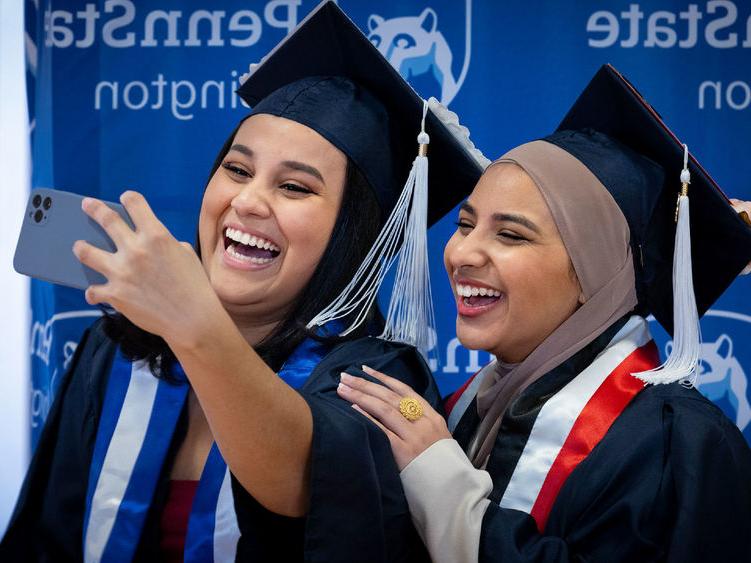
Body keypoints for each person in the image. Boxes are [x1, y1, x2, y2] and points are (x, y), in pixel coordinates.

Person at [0, 3, 484, 562]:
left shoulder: (376, 379)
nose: (247, 201)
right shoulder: (115, 352)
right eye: (237, 169)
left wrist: (192, 321)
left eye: (296, 188)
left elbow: (306, 478)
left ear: (357, 233)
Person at [337, 64, 751, 562]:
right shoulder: (460, 411)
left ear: (595, 274)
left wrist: (450, 496)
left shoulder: (681, 450)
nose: (463, 253)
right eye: (465, 224)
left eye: (510, 235)